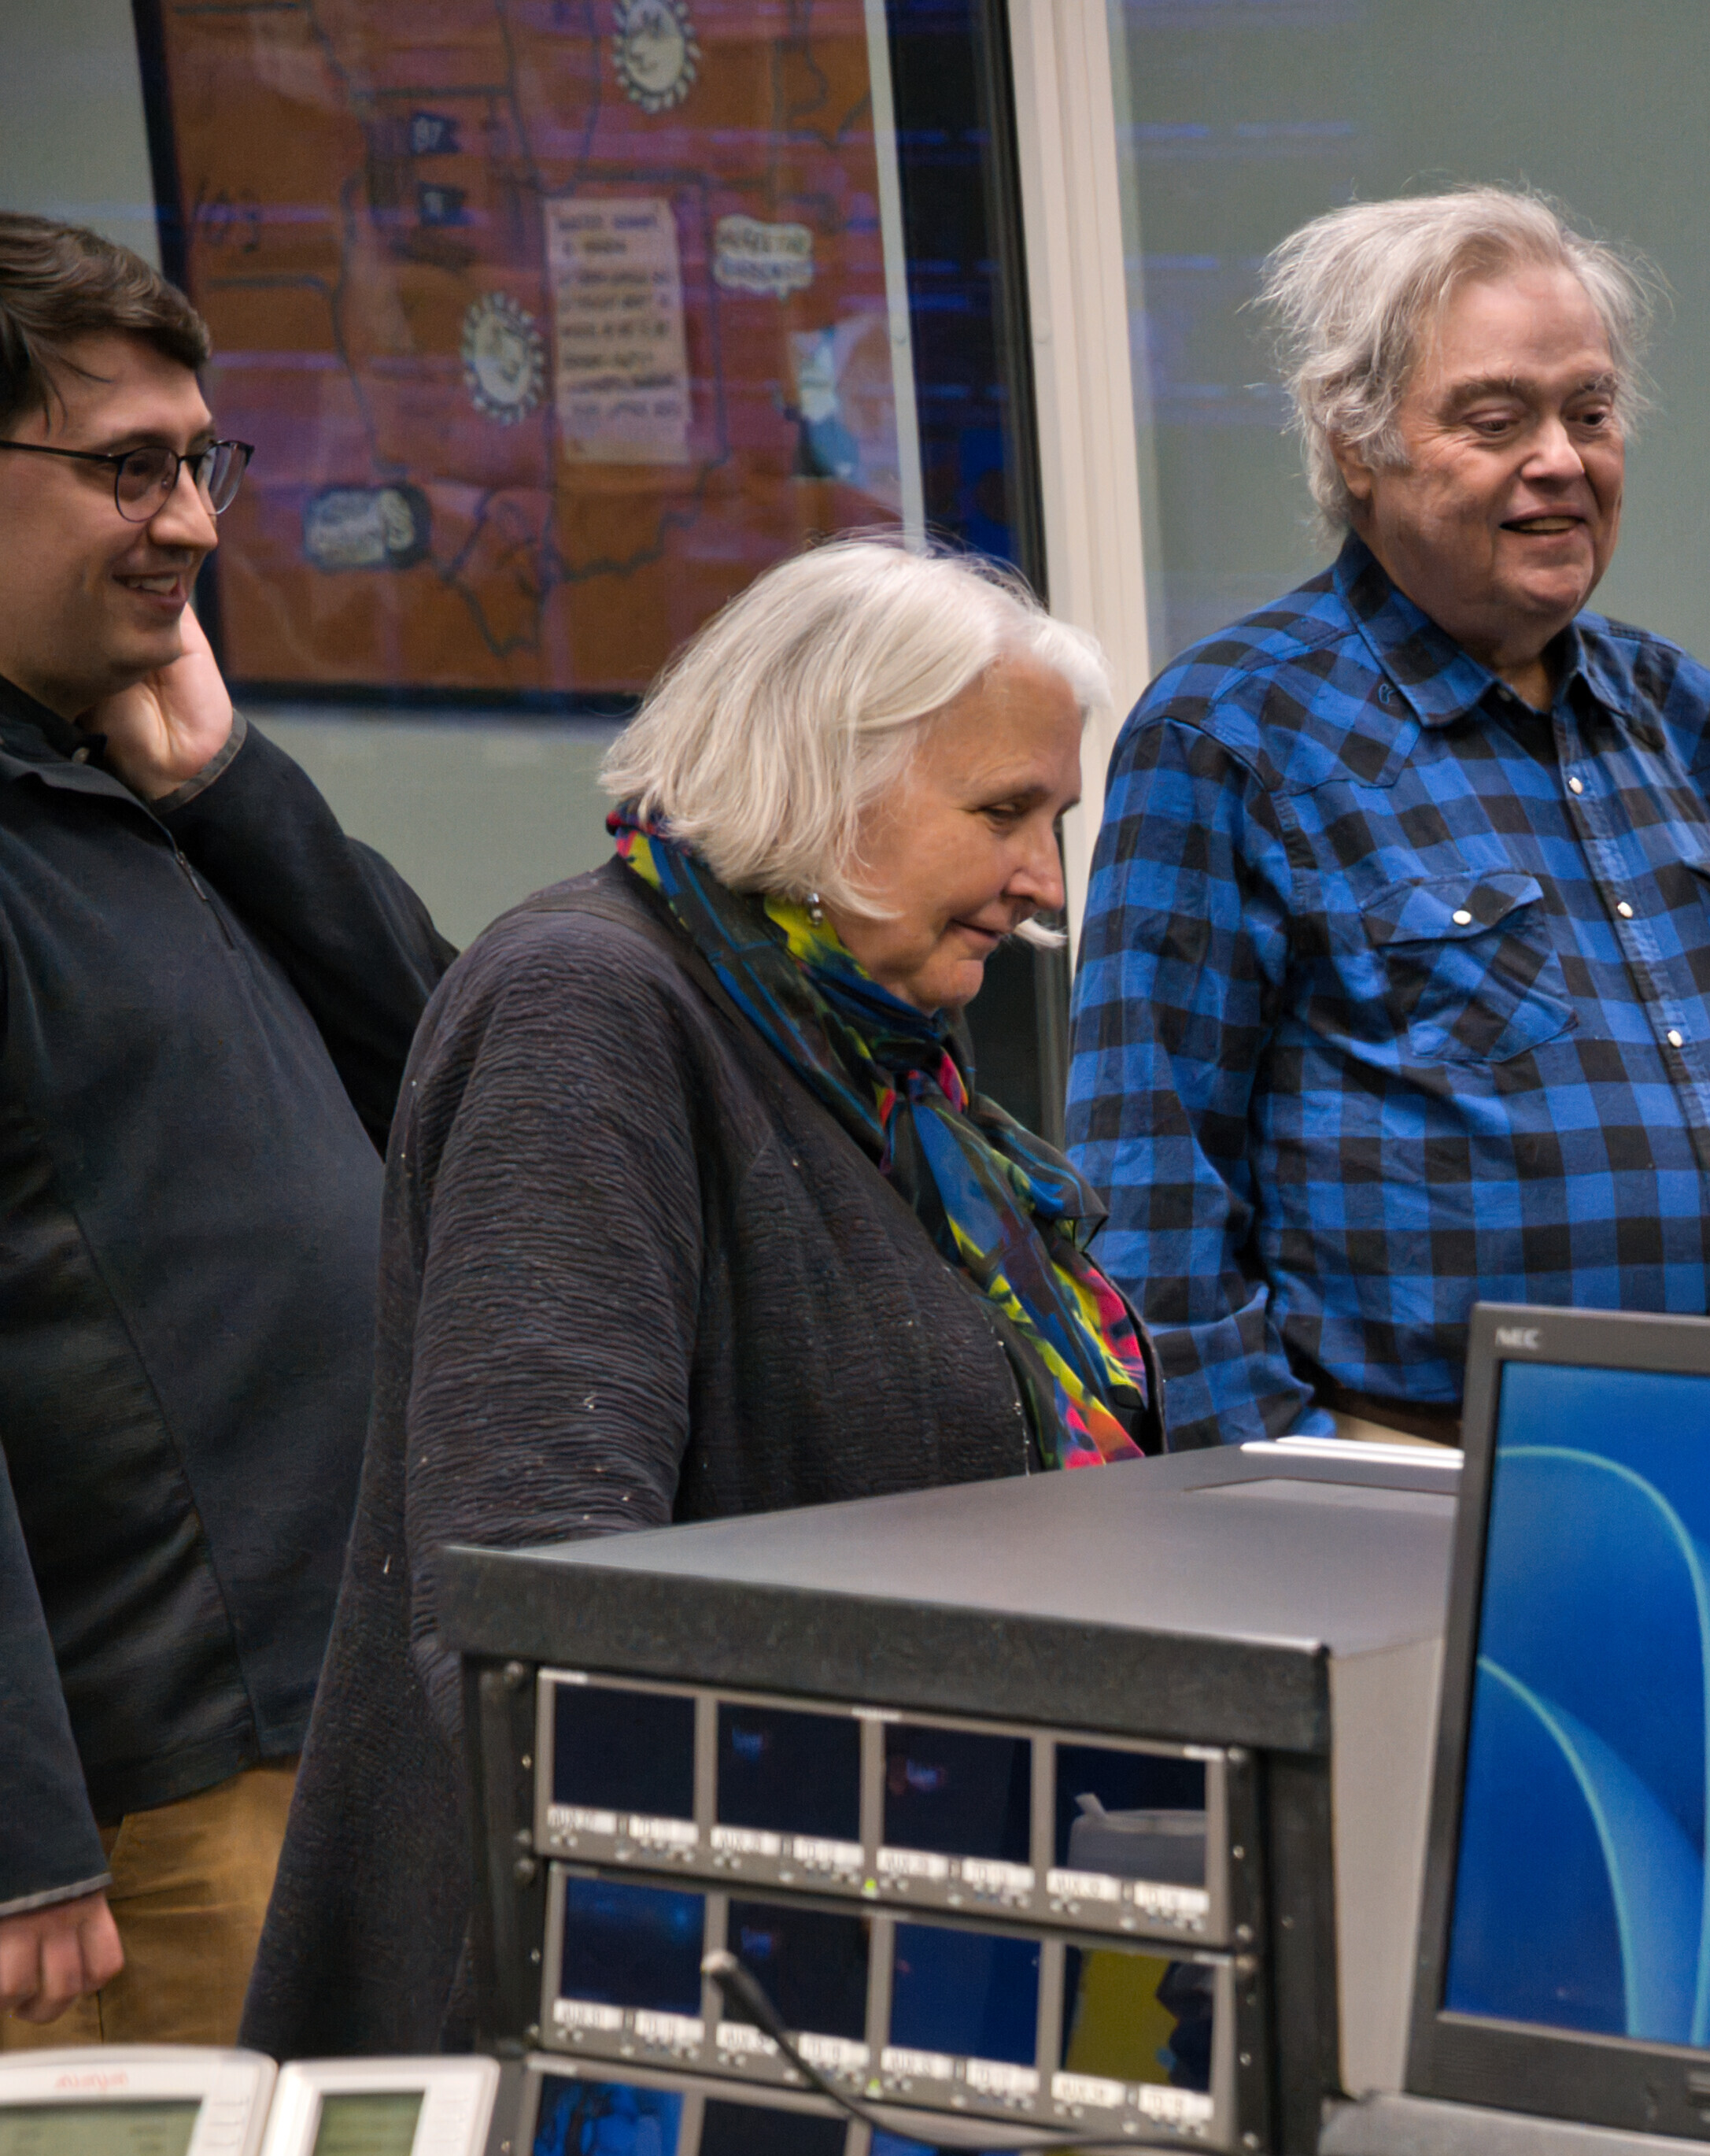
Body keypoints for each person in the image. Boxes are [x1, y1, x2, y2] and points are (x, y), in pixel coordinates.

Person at [246, 540, 1157, 2055]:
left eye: (1054, 822)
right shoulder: (587, 1005)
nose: (1044, 885)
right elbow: (534, 1597)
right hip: (655, 2004)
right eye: (1003, 814)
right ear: (824, 777)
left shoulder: (867, 1048)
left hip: (881, 1953)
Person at [1067, 187, 1710, 1450]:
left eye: (1591, 412)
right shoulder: (1234, 733)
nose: (1561, 458)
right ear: (1356, 445)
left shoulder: (1683, 714)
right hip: (1431, 1497)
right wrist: (1285, 1501)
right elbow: (1151, 1199)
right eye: (1496, 420)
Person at [0, 216, 449, 2045]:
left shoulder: (120, 773)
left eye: (202, 464)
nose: (190, 521)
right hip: (145, 1816)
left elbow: (460, 1085)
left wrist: (231, 789)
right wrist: (19, 1826)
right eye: (128, 468)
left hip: (330, 1710)